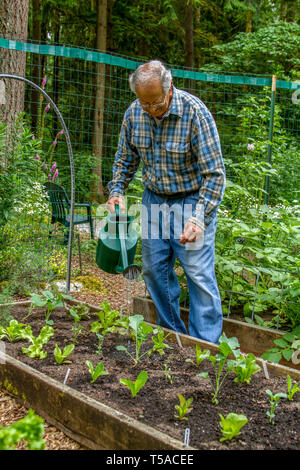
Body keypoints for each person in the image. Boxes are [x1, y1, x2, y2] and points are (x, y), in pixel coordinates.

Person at [106, 60, 226, 344]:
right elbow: (125, 158)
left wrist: (199, 218)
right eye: (144, 103)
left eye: (156, 103)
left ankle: (204, 345)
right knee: (154, 271)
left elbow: (215, 174)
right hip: (154, 202)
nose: (150, 110)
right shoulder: (135, 113)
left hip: (190, 202)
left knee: (197, 273)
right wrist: (116, 190)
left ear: (169, 87)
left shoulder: (195, 113)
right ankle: (173, 337)